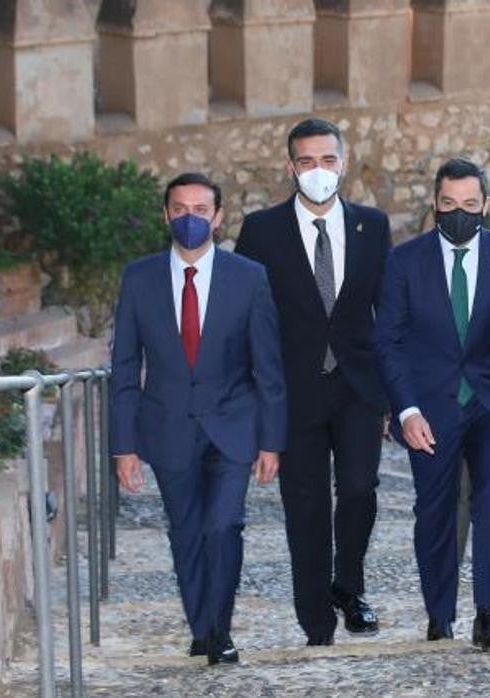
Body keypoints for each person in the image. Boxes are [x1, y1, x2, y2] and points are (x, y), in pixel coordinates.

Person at [110, 173, 287, 665]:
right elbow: (124, 365)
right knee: (185, 530)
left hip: (233, 425)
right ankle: (202, 624)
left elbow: (267, 366)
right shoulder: (139, 278)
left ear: (218, 217)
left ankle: (220, 631)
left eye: (201, 209)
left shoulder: (248, 277)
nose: (191, 218)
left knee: (223, 526)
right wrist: (123, 446)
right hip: (166, 427)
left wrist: (271, 441)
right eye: (181, 209)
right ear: (167, 215)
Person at [234, 118, 391, 646]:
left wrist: (396, 395)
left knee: (359, 489)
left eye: (328, 160)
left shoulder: (374, 226)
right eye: (306, 162)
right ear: (290, 168)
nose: (318, 171)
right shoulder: (261, 231)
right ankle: (316, 621)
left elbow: (387, 316)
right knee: (304, 507)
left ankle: (348, 585)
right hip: (292, 393)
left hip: (358, 388)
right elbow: (246, 320)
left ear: (343, 163)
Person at [375, 158, 490, 650]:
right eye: (449, 204)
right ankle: (439, 613)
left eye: (470, 204)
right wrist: (405, 411)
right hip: (429, 406)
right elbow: (388, 341)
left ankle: (489, 612)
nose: (459, 213)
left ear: (486, 206)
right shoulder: (405, 261)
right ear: (435, 204)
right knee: (434, 508)